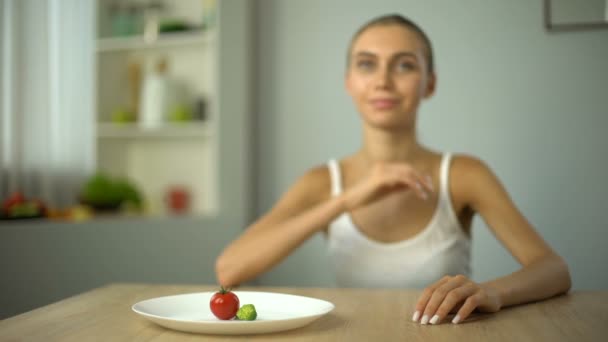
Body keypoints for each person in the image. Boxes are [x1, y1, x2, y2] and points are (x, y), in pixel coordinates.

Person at [215, 14, 571, 325]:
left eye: (404, 65)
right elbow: (229, 269)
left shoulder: (464, 174)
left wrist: (491, 292)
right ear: (348, 82)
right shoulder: (323, 182)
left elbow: (553, 270)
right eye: (367, 64)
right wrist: (350, 196)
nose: (383, 80)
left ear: (429, 83)